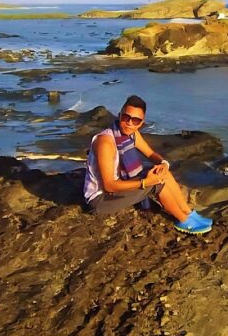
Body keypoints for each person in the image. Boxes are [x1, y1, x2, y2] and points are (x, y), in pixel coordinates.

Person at [83, 95, 213, 234]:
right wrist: (145, 182)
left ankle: (188, 213)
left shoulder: (132, 134)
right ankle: (183, 220)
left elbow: (151, 155)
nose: (130, 123)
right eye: (126, 117)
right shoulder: (106, 142)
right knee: (157, 183)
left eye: (136, 120)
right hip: (101, 200)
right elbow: (109, 185)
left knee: (161, 172)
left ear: (141, 123)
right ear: (120, 115)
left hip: (118, 186)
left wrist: (163, 164)